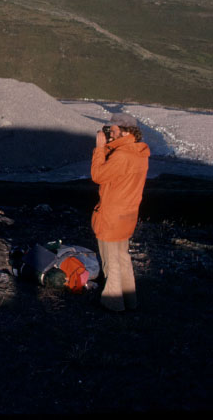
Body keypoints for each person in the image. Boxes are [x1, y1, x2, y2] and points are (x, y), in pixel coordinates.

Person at [90, 112, 150, 312]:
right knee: (123, 256)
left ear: (125, 132)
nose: (110, 133)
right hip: (128, 213)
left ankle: (113, 303)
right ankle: (130, 299)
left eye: (113, 130)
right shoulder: (140, 152)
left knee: (110, 259)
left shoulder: (122, 155)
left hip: (111, 214)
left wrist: (99, 149)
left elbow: (98, 175)